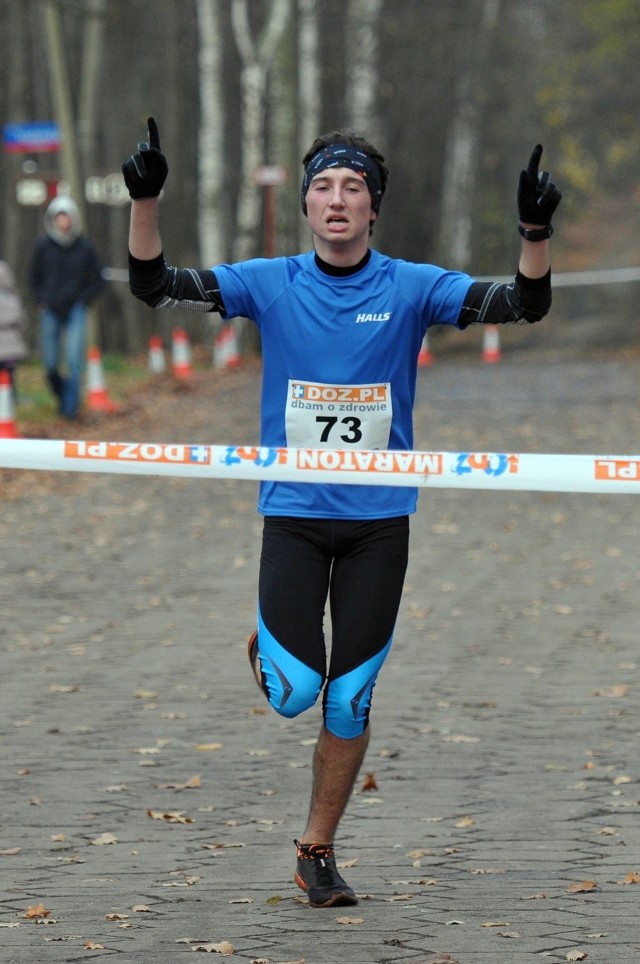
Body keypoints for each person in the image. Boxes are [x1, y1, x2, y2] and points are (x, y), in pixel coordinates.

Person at [122, 118, 561, 908]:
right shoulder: (271, 281)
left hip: (377, 526)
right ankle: (273, 640)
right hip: (292, 513)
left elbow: (524, 304)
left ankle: (315, 850)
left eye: (353, 187)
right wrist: (146, 202)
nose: (336, 199)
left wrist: (534, 232)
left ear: (372, 208)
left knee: (350, 699)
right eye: (323, 185)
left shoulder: (410, 286)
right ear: (305, 203)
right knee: (295, 693)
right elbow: (156, 287)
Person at [29, 196, 105, 419]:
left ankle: (70, 410)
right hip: (50, 309)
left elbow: (98, 279)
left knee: (74, 361)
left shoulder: (85, 247)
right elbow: (34, 277)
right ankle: (63, 396)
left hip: (76, 309)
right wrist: (41, 299)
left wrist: (83, 300)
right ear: (52, 220)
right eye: (59, 217)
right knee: (50, 364)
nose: (63, 221)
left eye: (67, 216)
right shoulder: (43, 246)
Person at [0, 260, 28, 397]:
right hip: (11, 349)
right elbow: (22, 323)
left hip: (7, 347)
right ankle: (9, 401)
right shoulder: (13, 300)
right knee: (8, 377)